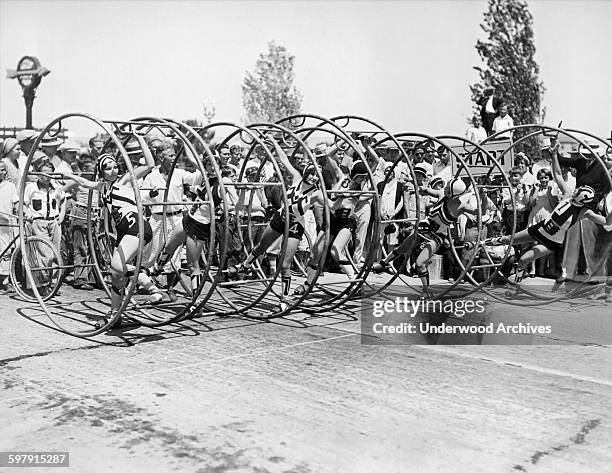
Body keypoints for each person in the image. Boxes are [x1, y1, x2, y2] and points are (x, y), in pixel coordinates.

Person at [61, 136, 156, 326]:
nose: (113, 170)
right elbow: (85, 183)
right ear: (101, 171)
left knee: (116, 267)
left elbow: (149, 164)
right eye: (107, 167)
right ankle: (115, 314)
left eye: (114, 166)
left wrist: (140, 138)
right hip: (123, 231)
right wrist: (70, 177)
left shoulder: (125, 180)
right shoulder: (102, 186)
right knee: (116, 275)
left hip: (136, 226)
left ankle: (149, 285)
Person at [232, 139, 326, 310]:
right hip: (280, 218)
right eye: (311, 173)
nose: (313, 177)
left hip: (294, 226)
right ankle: (245, 265)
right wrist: (274, 143)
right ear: (306, 171)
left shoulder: (317, 193)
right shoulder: (297, 178)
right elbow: (283, 160)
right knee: (261, 246)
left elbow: (331, 205)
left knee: (285, 265)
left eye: (316, 175)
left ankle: (285, 300)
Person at [373, 178, 487, 297]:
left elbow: (481, 211)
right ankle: (383, 263)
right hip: (424, 228)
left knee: (420, 263)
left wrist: (483, 196)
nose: (445, 188)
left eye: (448, 188)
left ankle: (426, 291)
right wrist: (416, 189)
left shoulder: (461, 206)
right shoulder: (441, 194)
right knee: (402, 248)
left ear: (454, 192)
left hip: (437, 236)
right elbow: (426, 190)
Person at [481, 186, 612, 284]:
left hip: (551, 242)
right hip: (539, 229)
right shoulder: (567, 195)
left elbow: (607, 221)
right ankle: (481, 243)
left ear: (580, 196)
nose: (575, 189)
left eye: (578, 190)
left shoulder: (585, 212)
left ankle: (517, 281)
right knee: (507, 239)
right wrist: (554, 154)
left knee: (523, 260)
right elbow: (558, 174)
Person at [0, 161, 19, 292]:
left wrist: (20, 213)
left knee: (6, 252)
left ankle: (5, 281)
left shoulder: (10, 186)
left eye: (4, 170)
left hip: (6, 224)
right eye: (1, 170)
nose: (3, 172)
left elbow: (16, 203)